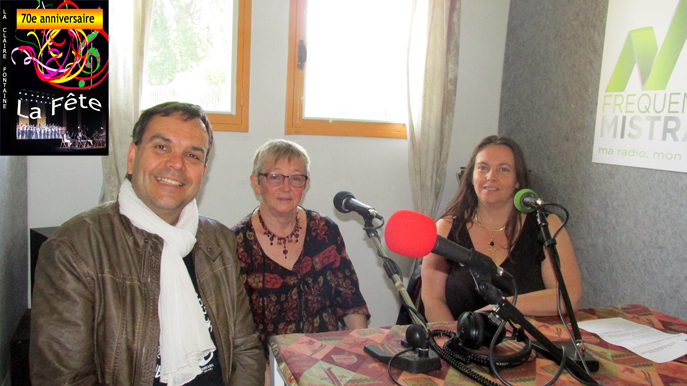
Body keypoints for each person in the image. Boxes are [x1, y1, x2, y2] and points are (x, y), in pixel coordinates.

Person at [30, 101, 265, 385]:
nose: (176, 164)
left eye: (192, 155)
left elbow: (245, 349)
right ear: (132, 156)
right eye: (161, 147)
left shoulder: (219, 241)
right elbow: (65, 379)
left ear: (202, 172)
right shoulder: (74, 249)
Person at [421, 135, 582, 322]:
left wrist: (500, 306)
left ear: (518, 181)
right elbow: (433, 300)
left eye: (503, 169)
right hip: (462, 344)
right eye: (483, 168)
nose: (491, 177)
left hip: (528, 344)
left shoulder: (546, 225)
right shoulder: (445, 228)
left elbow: (567, 297)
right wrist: (455, 341)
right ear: (471, 176)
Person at [232, 139, 371, 355]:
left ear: (305, 185)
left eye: (296, 178)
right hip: (268, 367)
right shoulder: (237, 243)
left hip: (328, 358)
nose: (286, 187)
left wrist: (359, 351)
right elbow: (236, 332)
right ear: (256, 183)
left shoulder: (325, 230)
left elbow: (351, 303)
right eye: (275, 177)